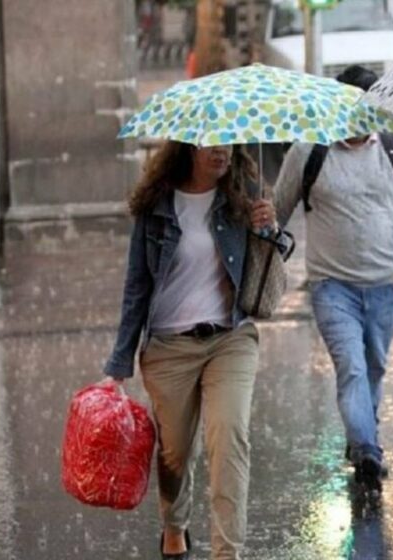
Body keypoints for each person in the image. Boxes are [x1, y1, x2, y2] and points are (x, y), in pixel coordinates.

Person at [103, 141, 279, 560]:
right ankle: (174, 522)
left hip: (230, 338)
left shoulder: (243, 193)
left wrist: (267, 230)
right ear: (187, 147)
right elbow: (137, 285)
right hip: (169, 347)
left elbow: (266, 266)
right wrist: (120, 361)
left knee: (230, 437)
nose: (221, 153)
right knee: (175, 453)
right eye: (210, 145)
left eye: (228, 144)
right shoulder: (158, 203)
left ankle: (226, 552)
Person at [273, 65, 393, 491]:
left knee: (375, 368)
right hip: (332, 287)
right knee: (352, 368)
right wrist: (259, 248)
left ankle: (363, 436)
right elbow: (278, 211)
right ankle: (366, 449)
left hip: (385, 283)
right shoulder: (309, 151)